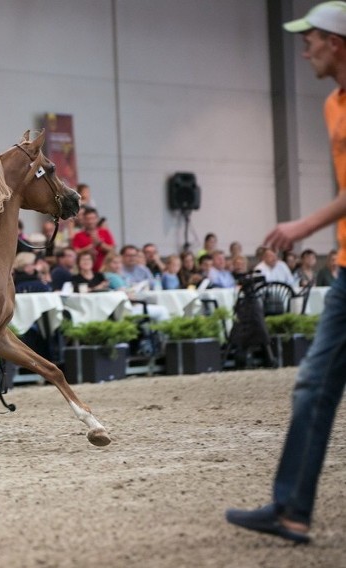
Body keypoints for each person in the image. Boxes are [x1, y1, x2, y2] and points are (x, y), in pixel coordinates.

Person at [225, 2, 346, 544]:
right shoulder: (332, 105)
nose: (305, 49)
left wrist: (302, 226)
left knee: (314, 384)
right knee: (313, 385)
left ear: (337, 42)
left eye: (311, 39)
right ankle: (292, 509)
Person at [72, 207, 115, 271]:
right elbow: (76, 252)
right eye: (88, 219)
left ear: (97, 219)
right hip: (85, 271)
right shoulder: (78, 235)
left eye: (93, 218)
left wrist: (100, 243)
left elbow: (112, 250)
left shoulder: (105, 232)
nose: (90, 221)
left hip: (104, 271)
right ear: (83, 220)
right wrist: (91, 247)